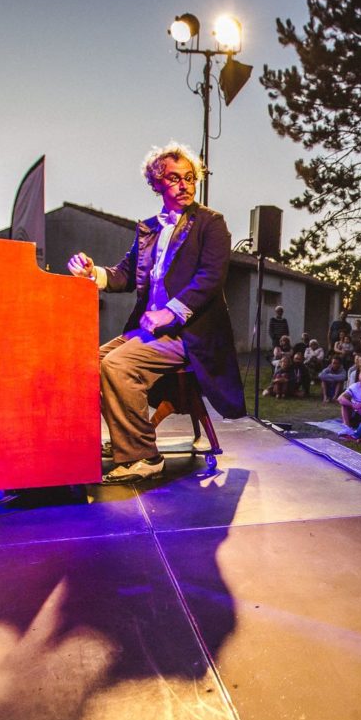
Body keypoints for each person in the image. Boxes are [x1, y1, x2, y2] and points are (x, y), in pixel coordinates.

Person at [67, 141, 244, 484]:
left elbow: (210, 278)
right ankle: (125, 440)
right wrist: (92, 272)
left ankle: (143, 456)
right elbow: (123, 274)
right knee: (88, 364)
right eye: (175, 178)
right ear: (156, 184)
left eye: (190, 178)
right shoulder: (149, 228)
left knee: (117, 365)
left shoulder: (211, 223)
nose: (185, 185)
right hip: (152, 331)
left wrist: (171, 313)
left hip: (190, 334)